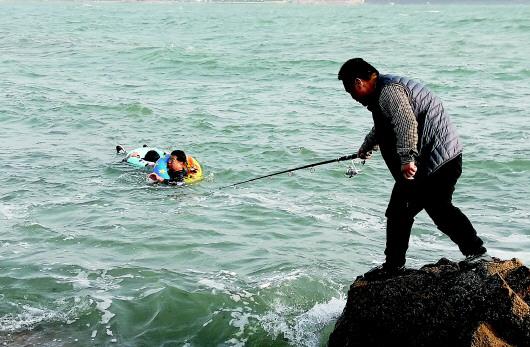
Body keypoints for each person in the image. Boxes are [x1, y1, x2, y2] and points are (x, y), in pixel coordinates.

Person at [337, 58, 490, 280]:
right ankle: (394, 266)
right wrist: (367, 145)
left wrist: (407, 157)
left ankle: (477, 252)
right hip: (427, 162)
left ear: (359, 82)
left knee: (437, 208)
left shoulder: (389, 91)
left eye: (351, 92)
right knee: (400, 211)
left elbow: (406, 123)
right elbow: (385, 124)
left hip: (439, 160)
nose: (353, 98)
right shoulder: (384, 91)